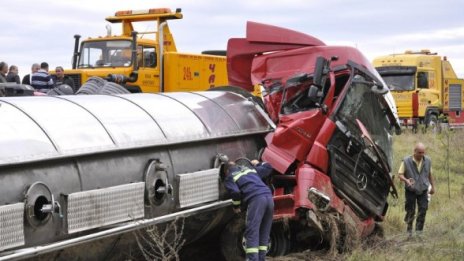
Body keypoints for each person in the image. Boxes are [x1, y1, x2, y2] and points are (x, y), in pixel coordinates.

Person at [223, 158, 274, 261]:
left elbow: (235, 192)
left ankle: (252, 259)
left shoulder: (229, 176)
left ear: (226, 171)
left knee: (252, 231)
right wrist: (258, 163)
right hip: (269, 198)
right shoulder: (250, 170)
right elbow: (269, 168)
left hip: (256, 200)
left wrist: (236, 206)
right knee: (264, 230)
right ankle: (261, 258)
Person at [398, 142, 435, 237]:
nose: (421, 154)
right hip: (411, 190)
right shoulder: (406, 161)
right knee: (411, 211)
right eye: (419, 152)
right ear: (414, 151)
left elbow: (430, 175)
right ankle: (409, 232)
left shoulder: (428, 160)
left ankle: (419, 233)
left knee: (423, 209)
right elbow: (400, 174)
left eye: (423, 152)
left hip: (423, 189)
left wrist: (433, 187)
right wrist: (406, 180)